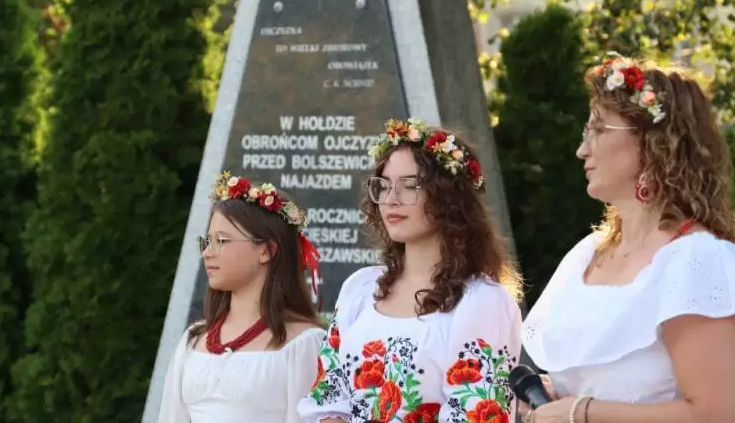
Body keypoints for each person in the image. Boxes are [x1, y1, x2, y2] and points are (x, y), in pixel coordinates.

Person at [519, 52, 735, 423]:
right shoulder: (587, 255)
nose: (582, 149)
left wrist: (582, 412)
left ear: (653, 142)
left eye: (599, 130)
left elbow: (718, 412)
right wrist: (551, 400)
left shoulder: (696, 260)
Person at [298, 118, 524, 423]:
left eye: (409, 186)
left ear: (448, 198)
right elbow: (327, 397)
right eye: (384, 186)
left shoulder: (481, 302)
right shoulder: (360, 289)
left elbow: (477, 414)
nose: (391, 199)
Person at [158, 172, 326, 423]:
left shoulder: (304, 343)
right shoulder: (194, 340)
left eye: (222, 240)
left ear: (266, 250)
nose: (207, 253)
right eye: (207, 241)